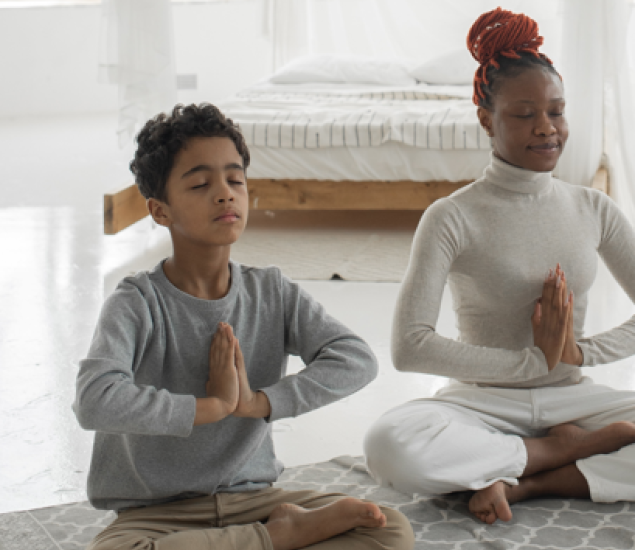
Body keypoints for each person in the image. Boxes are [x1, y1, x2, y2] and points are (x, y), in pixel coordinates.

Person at [363, 8, 635, 526]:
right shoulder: (451, 216)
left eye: (556, 110)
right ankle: (556, 453)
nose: (546, 127)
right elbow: (409, 345)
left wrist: (577, 352)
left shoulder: (592, 207)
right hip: (483, 404)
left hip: (574, 400)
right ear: (487, 119)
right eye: (524, 114)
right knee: (389, 444)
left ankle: (528, 481)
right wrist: (529, 364)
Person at [73, 103, 413, 550]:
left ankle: (267, 535)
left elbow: (356, 358)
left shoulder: (271, 291)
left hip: (255, 499)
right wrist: (210, 407)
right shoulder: (135, 303)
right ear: (159, 211)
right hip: (156, 517)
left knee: (388, 529)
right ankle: (278, 539)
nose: (224, 193)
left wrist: (257, 402)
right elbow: (94, 400)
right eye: (200, 183)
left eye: (235, 180)